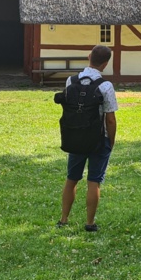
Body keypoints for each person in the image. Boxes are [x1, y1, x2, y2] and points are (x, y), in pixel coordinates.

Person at [57, 45, 118, 232]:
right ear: (105, 63)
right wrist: (111, 140)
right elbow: (110, 118)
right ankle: (90, 223)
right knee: (94, 181)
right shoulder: (105, 86)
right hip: (98, 139)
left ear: (88, 57)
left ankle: (64, 219)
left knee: (71, 179)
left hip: (75, 135)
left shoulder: (71, 81)